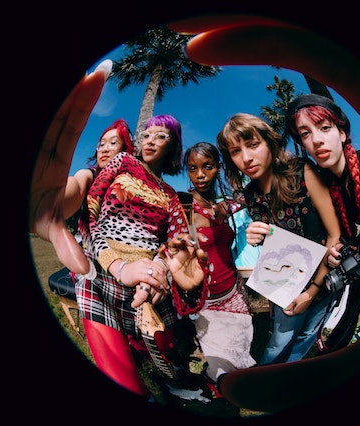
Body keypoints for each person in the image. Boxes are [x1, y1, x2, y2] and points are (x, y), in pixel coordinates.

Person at [82, 113, 213, 398]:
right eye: (147, 135)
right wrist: (117, 266)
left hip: (147, 277)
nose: (150, 141)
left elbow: (171, 244)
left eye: (161, 136)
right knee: (118, 370)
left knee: (166, 349)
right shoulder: (123, 162)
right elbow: (89, 213)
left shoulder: (171, 194)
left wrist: (158, 269)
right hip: (101, 270)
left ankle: (173, 380)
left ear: (173, 145)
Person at [216, 112, 341, 365]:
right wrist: (256, 237)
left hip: (324, 278)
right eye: (236, 151)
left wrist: (312, 292)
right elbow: (278, 243)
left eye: (253, 144)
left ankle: (287, 376)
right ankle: (264, 379)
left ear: (270, 142)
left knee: (307, 335)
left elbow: (334, 235)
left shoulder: (302, 172)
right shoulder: (250, 194)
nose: (246, 158)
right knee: (279, 341)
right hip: (286, 285)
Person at [285, 93, 360, 351]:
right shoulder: (325, 183)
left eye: (324, 128)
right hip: (356, 263)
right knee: (348, 316)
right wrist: (336, 249)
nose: (316, 140)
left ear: (341, 133)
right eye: (305, 134)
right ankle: (334, 353)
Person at [182, 142, 256, 390]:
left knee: (240, 344)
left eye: (207, 166)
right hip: (206, 296)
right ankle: (220, 385)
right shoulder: (184, 208)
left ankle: (224, 384)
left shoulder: (224, 206)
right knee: (218, 356)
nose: (200, 175)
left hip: (233, 292)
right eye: (192, 168)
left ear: (219, 168)